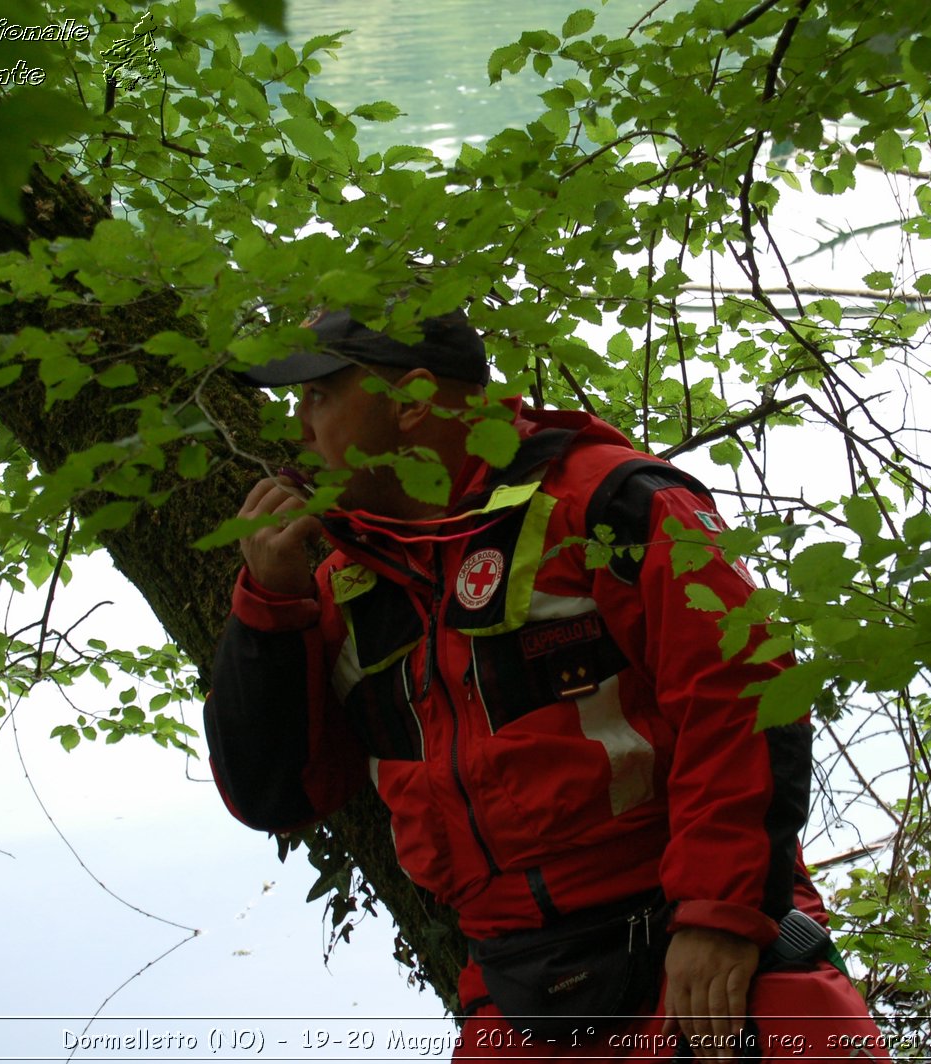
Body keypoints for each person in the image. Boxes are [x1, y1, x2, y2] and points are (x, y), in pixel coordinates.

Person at [204, 308, 891, 1061]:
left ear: (411, 403)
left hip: (702, 945)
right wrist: (268, 608)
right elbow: (276, 796)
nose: (299, 430)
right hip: (514, 990)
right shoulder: (341, 583)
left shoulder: (610, 503)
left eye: (318, 398)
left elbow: (745, 694)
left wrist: (720, 917)